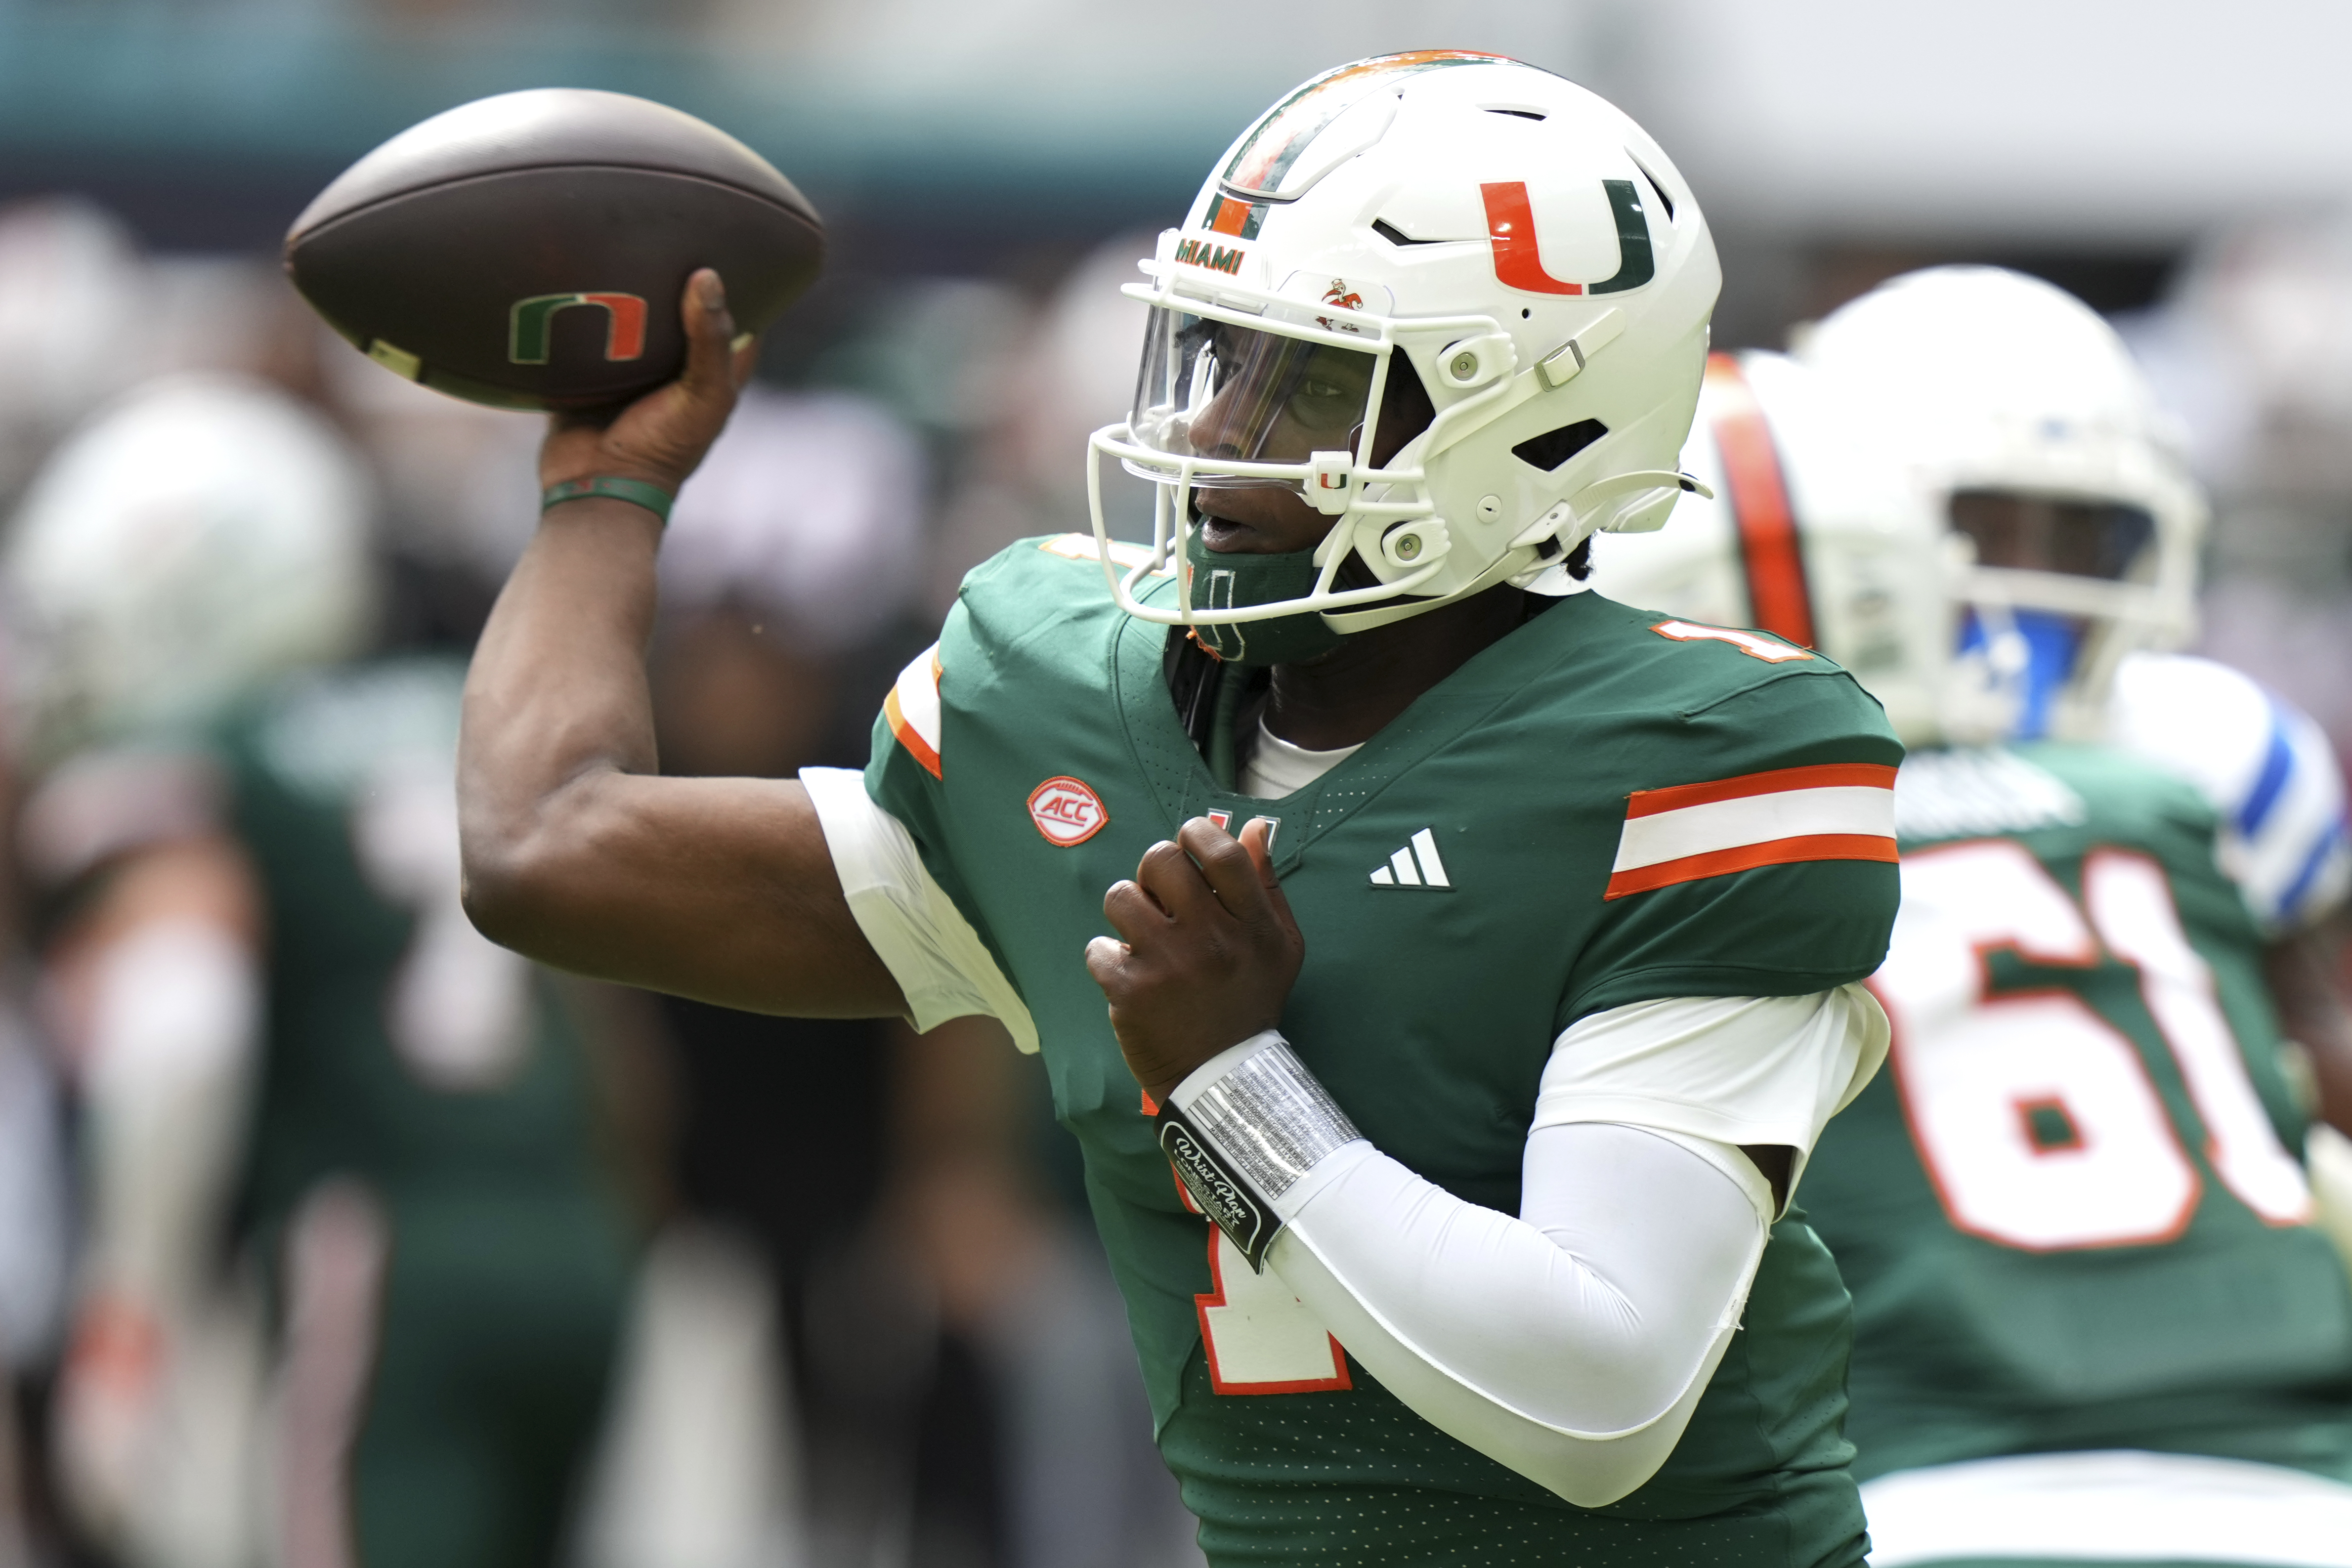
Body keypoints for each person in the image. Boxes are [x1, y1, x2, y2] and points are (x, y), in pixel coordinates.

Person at [460, 52, 1908, 1564]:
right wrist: (603, 498)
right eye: (1220, 358)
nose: (1216, 434)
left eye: (1311, 384)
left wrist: (1232, 1083)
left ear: (1532, 424)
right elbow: (542, 851)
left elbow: (1600, 1396)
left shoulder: (1696, 753)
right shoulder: (1069, 704)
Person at [1592, 268, 2352, 1568]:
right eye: (1981, 534)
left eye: (2073, 541)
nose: (2028, 593)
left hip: (1922, 1479)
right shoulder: (2180, 772)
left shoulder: (1697, 805)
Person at [13, 371, 641, 1568]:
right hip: (575, 1236)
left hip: (380, 1250)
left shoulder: (209, 766)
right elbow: (600, 1013)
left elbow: (181, 1028)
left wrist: (123, 1329)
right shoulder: (445, 714)